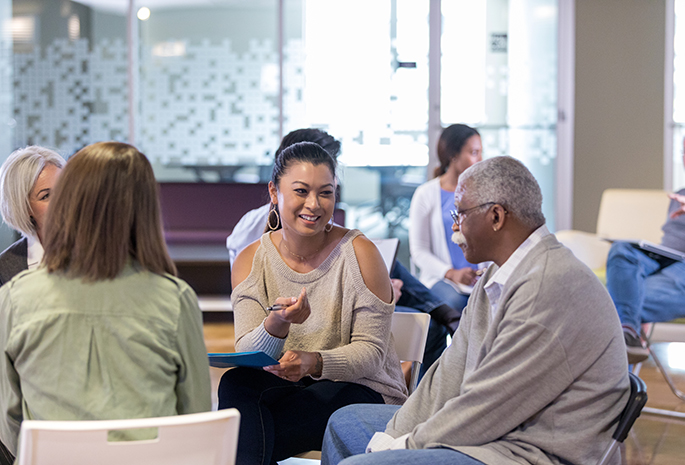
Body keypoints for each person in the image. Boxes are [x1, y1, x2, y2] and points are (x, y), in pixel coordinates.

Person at [322, 156, 630, 465]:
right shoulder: (497, 275)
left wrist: (408, 445)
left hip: (532, 452)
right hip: (495, 434)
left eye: (460, 213)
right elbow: (449, 372)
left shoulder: (550, 286)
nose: (454, 226)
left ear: (496, 217)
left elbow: (491, 405)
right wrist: (395, 435)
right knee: (344, 425)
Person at [0, 142, 212, 458]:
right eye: (47, 196)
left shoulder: (15, 298)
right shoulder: (175, 300)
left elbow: (9, 421)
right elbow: (195, 421)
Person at [218, 141, 407, 465]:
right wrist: (278, 323)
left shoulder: (360, 252)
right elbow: (246, 349)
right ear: (274, 193)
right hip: (291, 386)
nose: (314, 204)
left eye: (326, 192)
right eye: (301, 191)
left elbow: (371, 355)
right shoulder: (251, 260)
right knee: (236, 384)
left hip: (360, 390)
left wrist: (313, 362)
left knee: (241, 433)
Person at [605, 144, 685, 363]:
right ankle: (628, 334)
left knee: (609, 303)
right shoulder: (679, 194)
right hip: (663, 259)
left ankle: (621, 391)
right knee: (622, 248)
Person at [408, 124, 483, 313]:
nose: (480, 159)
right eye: (474, 152)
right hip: (440, 279)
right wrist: (451, 273)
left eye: (480, 152)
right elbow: (418, 251)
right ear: (453, 156)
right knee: (456, 303)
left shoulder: (484, 193)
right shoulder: (425, 194)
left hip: (481, 280)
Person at [0, 146, 66, 286]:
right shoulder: (5, 269)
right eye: (46, 196)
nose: (61, 201)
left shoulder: (101, 250)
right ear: (24, 208)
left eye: (64, 189)